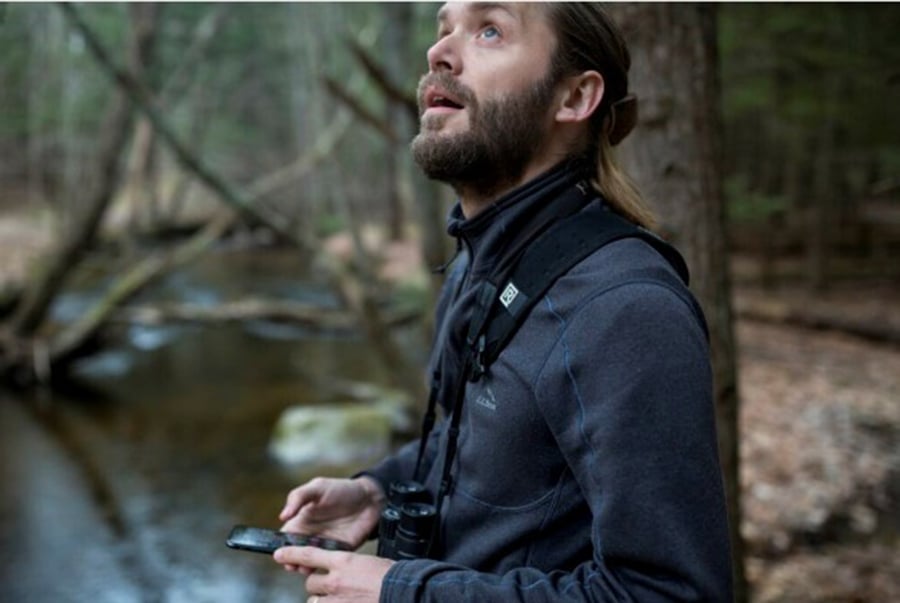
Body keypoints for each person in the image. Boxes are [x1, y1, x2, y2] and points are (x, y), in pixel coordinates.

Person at [273, 3, 734, 601]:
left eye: (490, 30)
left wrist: (407, 592)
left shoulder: (626, 310)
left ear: (574, 98)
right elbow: (486, 443)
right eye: (444, 29)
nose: (439, 52)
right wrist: (378, 490)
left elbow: (666, 593)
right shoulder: (477, 263)